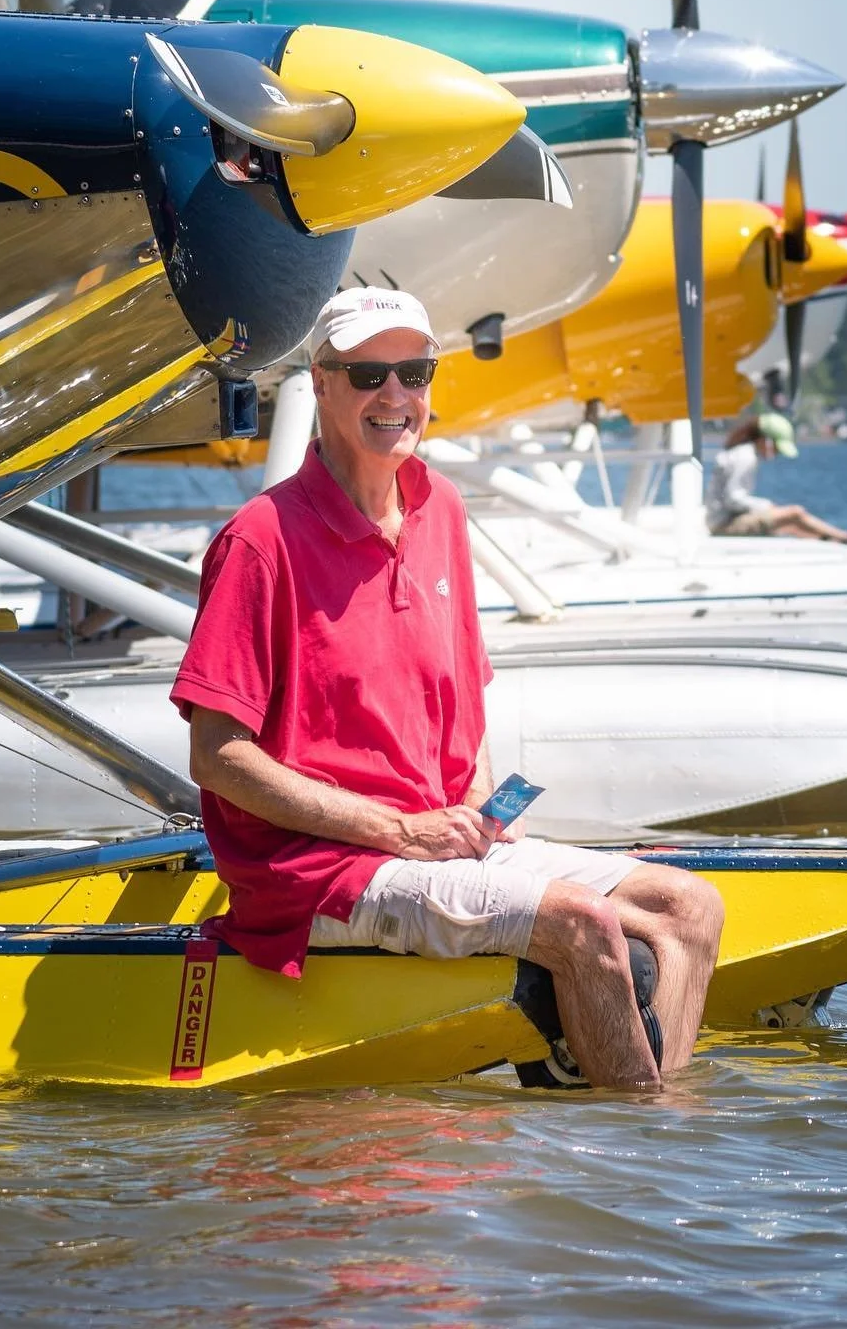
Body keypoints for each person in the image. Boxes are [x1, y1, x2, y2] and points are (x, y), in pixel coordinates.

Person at [171, 286, 723, 1091]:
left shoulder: (441, 508)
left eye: (414, 372)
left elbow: (463, 702)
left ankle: (659, 1156)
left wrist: (481, 812)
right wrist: (399, 830)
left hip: (430, 842)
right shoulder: (259, 540)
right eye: (367, 374)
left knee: (690, 907)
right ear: (319, 383)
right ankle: (638, 1145)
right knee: (585, 922)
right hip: (320, 874)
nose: (395, 396)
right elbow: (217, 759)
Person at [707, 413, 847, 543]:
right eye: (776, 448)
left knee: (788, 524)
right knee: (796, 513)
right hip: (723, 525)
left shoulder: (742, 453)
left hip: (721, 521)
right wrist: (766, 505)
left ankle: (831, 539)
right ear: (766, 440)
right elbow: (732, 499)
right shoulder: (746, 457)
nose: (776, 453)